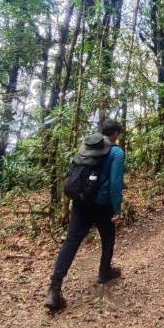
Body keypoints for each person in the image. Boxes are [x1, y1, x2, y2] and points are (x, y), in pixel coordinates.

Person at [44, 120, 126, 311]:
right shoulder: (116, 152)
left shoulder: (87, 147)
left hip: (81, 202)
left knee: (71, 242)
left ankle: (54, 289)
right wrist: (117, 209)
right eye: (118, 133)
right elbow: (115, 183)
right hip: (103, 205)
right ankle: (104, 272)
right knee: (108, 238)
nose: (118, 137)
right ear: (114, 134)